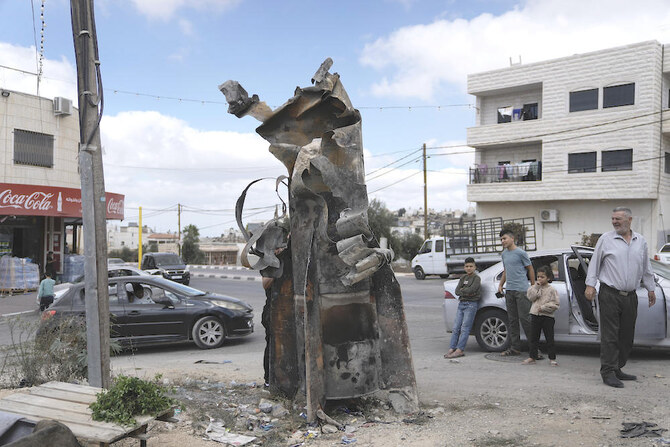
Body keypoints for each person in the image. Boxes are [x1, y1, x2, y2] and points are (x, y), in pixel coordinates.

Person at [585, 207, 656, 388]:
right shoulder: (606, 239)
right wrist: (590, 285)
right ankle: (607, 371)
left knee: (626, 335)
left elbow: (646, 267)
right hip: (610, 294)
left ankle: (617, 367)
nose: (614, 222)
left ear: (629, 219)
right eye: (613, 219)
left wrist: (650, 288)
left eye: (618, 219)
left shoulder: (641, 241)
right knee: (610, 335)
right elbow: (595, 263)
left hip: (631, 295)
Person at [497, 229, 535, 357]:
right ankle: (515, 348)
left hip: (521, 290)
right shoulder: (504, 254)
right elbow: (505, 271)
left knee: (525, 319)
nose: (503, 241)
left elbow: (530, 269)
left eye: (505, 238)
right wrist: (501, 284)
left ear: (512, 238)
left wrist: (533, 286)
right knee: (512, 320)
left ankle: (534, 349)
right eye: (501, 239)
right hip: (510, 290)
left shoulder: (521, 253)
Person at [522, 265, 560, 366]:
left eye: (542, 277)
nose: (539, 279)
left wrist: (543, 308)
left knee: (549, 338)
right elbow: (530, 297)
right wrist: (536, 287)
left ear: (548, 278)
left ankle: (552, 358)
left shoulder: (551, 289)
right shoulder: (534, 287)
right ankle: (532, 357)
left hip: (547, 317)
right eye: (538, 277)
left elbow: (555, 304)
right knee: (534, 337)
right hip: (535, 315)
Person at [445, 257, 481, 359]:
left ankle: (460, 349)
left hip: (471, 304)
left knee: (465, 328)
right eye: (467, 266)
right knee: (456, 328)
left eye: (471, 266)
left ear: (474, 267)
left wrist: (464, 291)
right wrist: (466, 291)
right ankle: (452, 348)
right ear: (464, 267)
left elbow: (472, 290)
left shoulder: (476, 278)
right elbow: (457, 291)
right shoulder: (463, 278)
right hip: (461, 304)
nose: (469, 268)